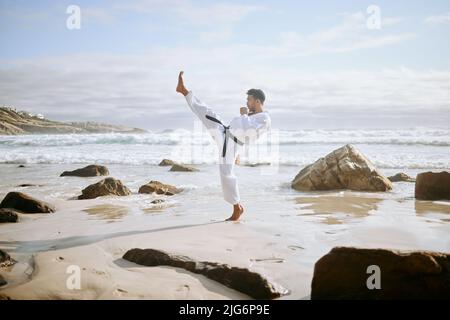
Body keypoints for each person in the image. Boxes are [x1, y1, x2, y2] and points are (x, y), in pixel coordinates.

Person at [176, 71, 271, 221]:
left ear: (258, 101)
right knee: (208, 113)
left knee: (226, 173)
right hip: (226, 134)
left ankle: (237, 207)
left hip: (231, 143)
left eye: (250, 100)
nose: (247, 102)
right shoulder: (256, 116)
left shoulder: (265, 119)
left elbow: (248, 132)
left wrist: (244, 115)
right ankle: (184, 91)